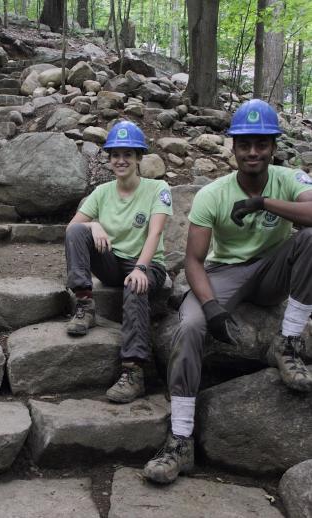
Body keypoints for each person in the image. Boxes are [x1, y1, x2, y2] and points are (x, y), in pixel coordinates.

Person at [143, 99, 312, 485]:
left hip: (274, 271)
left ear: (273, 147)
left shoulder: (289, 179)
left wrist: (263, 203)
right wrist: (211, 307)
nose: (253, 151)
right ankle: (181, 439)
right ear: (233, 148)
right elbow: (194, 262)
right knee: (189, 329)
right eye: (245, 144)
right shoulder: (213, 194)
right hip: (225, 272)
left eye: (261, 144)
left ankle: (287, 344)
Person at [65, 121, 173, 403]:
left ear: (139, 158)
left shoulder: (158, 188)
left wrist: (140, 268)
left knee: (136, 285)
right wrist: (94, 225)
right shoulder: (101, 192)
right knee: (79, 230)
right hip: (113, 263)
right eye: (115, 155)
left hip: (147, 264)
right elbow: (72, 227)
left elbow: (156, 231)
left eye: (128, 154)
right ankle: (85, 305)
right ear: (109, 159)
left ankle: (133, 370)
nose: (121, 160)